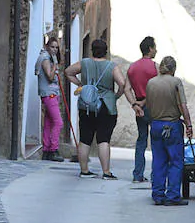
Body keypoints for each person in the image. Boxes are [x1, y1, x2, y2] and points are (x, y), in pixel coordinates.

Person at [64, 39, 138, 179]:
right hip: (106, 106)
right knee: (103, 139)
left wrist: (81, 84)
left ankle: (84, 171)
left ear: (92, 50)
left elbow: (68, 71)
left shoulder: (85, 63)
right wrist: (115, 95)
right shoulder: (111, 66)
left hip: (86, 105)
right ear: (106, 51)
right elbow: (122, 83)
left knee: (85, 138)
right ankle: (106, 172)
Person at [144, 56, 194, 206]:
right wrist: (189, 125)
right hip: (172, 126)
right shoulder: (176, 82)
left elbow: (149, 106)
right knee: (175, 161)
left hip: (156, 125)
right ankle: (172, 196)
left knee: (159, 161)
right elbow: (182, 106)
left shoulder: (151, 83)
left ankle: (158, 195)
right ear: (173, 69)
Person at [126, 36, 159, 182]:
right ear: (150, 49)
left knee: (141, 140)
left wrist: (135, 104)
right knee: (157, 142)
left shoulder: (132, 67)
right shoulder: (155, 67)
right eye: (155, 47)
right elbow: (158, 87)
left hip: (139, 108)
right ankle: (156, 175)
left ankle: (137, 174)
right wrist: (145, 101)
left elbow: (126, 89)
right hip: (154, 106)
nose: (156, 50)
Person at [35, 35, 64, 161]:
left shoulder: (48, 58)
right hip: (49, 94)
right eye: (52, 47)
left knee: (48, 122)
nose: (55, 50)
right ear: (47, 47)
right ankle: (53, 149)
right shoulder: (46, 59)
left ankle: (46, 150)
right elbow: (50, 77)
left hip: (51, 93)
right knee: (58, 122)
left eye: (57, 48)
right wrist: (55, 65)